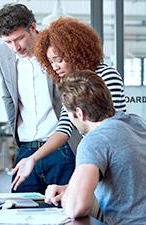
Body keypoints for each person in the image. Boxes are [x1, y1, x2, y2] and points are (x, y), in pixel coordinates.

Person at [45, 69, 146, 224]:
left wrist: (68, 197)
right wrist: (70, 189)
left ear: (79, 113)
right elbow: (127, 182)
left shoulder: (94, 141)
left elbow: (76, 208)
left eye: (67, 113)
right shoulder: (137, 123)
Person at [11, 17, 127, 190]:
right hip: (94, 157)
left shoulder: (106, 75)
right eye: (51, 62)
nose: (55, 67)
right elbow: (64, 127)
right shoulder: (69, 84)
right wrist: (32, 159)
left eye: (59, 59)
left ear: (76, 52)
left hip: (111, 158)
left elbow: (114, 126)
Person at [0, 3, 77, 194]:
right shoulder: (1, 54)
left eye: (19, 38)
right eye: (8, 41)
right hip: (25, 148)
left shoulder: (56, 51)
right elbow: (8, 95)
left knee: (64, 212)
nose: (15, 47)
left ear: (32, 27)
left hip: (61, 148)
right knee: (21, 212)